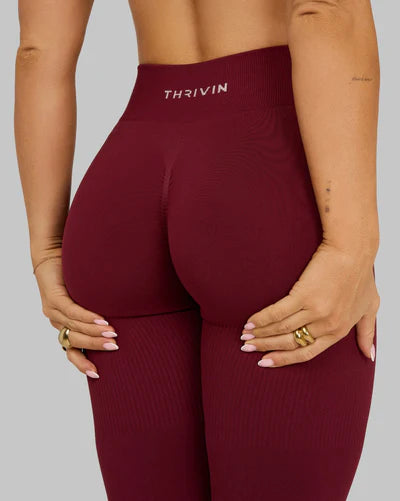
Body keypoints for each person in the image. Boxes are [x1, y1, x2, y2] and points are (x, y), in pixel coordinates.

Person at [14, 0, 380, 499]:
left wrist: (47, 249)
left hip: (126, 183)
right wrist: (349, 246)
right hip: (263, 169)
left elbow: (37, 52)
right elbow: (324, 8)